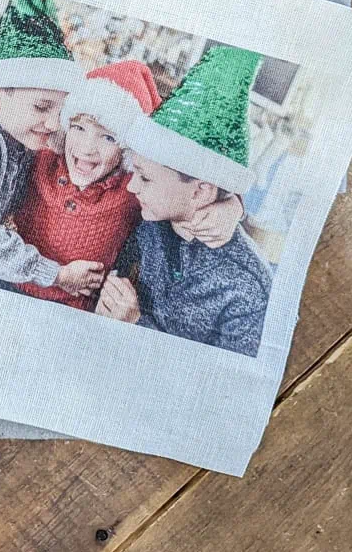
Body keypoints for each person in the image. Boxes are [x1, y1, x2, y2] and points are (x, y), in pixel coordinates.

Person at [11, 60, 245, 311]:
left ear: (126, 152)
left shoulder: (131, 191)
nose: (87, 147)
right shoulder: (41, 158)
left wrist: (233, 206)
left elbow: (190, 180)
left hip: (70, 313)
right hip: (7, 284)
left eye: (108, 137)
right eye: (78, 127)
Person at [95, 46, 272, 358]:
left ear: (201, 192)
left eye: (145, 178)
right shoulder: (151, 223)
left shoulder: (248, 290)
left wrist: (136, 324)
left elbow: (223, 389)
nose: (132, 186)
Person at [0, 0, 104, 298]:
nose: (52, 122)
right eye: (42, 107)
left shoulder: (23, 140)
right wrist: (56, 274)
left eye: (60, 111)